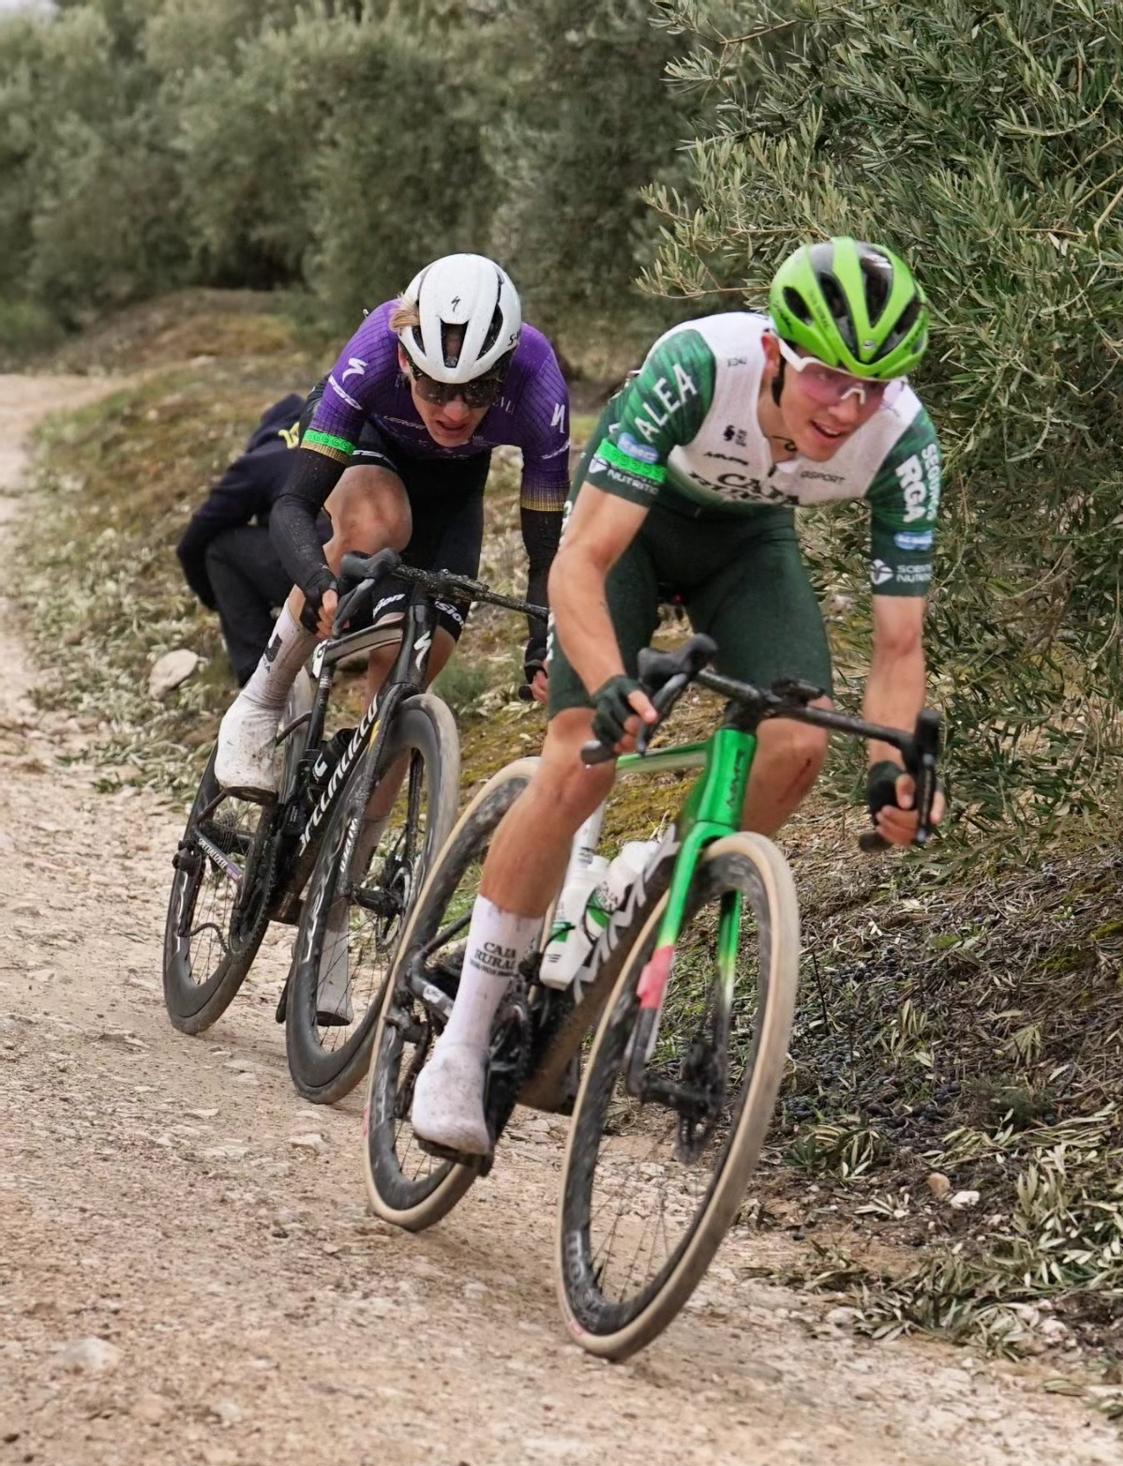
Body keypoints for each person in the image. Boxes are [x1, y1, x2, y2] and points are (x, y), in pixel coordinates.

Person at [410, 237, 947, 1156]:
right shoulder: (699, 367)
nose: (847, 408)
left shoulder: (903, 442)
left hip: (748, 544)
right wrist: (609, 684)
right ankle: (464, 1038)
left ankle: (656, 874)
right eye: (827, 377)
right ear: (775, 352)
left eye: (872, 386)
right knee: (582, 759)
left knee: (798, 744)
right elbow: (580, 564)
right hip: (633, 528)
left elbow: (899, 643)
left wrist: (892, 771)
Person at [213, 252, 570, 794]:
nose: (455, 411)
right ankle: (260, 701)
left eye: (478, 390)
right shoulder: (377, 350)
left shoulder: (539, 386)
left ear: (504, 368)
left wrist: (543, 644)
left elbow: (547, 555)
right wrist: (316, 578)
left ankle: (358, 837)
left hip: (453, 482)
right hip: (367, 439)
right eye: (435, 388)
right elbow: (293, 505)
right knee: (380, 521)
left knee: (413, 665)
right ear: (406, 361)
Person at [176, 394, 305, 685]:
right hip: (381, 577)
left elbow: (193, 543)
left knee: (220, 549)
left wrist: (219, 601)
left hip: (319, 579)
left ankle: (259, 675)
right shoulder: (345, 436)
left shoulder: (263, 460)